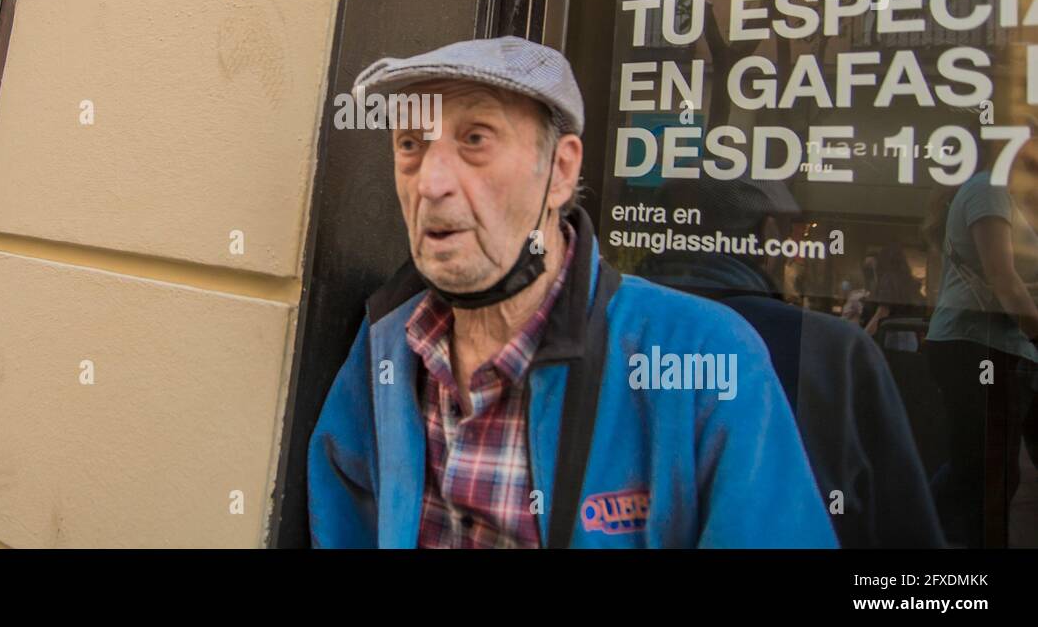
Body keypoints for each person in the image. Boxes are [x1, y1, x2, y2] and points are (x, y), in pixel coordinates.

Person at [307, 36, 836, 548]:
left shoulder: (704, 355)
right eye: (410, 144)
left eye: (475, 139)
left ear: (559, 171)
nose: (430, 181)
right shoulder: (387, 345)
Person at [638, 176, 944, 548]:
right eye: (789, 237)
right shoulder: (835, 350)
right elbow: (906, 528)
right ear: (768, 235)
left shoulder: (602, 328)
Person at [924, 139, 1038, 547]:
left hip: (1003, 347)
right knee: (985, 470)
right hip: (978, 345)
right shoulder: (988, 189)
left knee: (981, 466)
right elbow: (1002, 279)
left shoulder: (1000, 194)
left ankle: (918, 525)